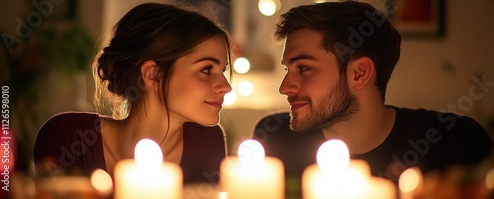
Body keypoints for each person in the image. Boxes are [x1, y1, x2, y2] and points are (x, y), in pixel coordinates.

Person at [253, 1, 493, 196]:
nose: (284, 87)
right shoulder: (274, 139)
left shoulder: (454, 142)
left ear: (360, 73)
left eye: (303, 68)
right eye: (287, 70)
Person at [34, 3, 233, 185]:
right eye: (207, 70)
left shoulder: (207, 142)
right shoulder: (68, 138)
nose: (226, 86)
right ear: (153, 74)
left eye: (222, 70)